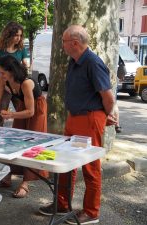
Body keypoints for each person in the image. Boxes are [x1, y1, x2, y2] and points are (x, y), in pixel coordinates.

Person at [38, 25, 116, 224]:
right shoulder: (75, 60)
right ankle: (62, 204)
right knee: (66, 162)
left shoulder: (92, 62)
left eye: (63, 41)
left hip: (89, 119)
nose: (61, 45)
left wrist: (105, 116)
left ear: (74, 43)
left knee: (90, 167)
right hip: (75, 117)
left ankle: (91, 212)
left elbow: (107, 96)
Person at [0, 55, 48, 198]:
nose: (0, 75)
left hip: (36, 108)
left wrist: (11, 115)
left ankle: (26, 182)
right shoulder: (3, 79)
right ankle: (8, 175)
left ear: (12, 71)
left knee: (32, 143)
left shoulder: (26, 83)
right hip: (22, 108)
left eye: (3, 72)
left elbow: (31, 112)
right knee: (16, 142)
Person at [0, 21, 28, 127]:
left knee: (22, 110)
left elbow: (25, 66)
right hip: (3, 84)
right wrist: (3, 85)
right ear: (9, 35)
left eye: (20, 35)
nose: (18, 38)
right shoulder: (0, 50)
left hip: (17, 84)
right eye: (16, 35)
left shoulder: (21, 49)